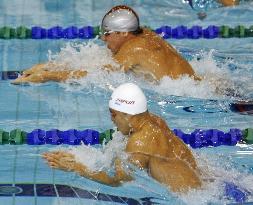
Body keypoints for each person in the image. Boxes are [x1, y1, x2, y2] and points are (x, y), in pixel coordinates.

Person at [43, 83, 201, 192]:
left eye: (114, 114)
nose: (112, 119)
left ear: (127, 114)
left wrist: (76, 167)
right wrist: (81, 158)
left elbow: (118, 180)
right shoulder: (155, 121)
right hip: (201, 185)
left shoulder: (140, 143)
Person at [12, 5, 199, 84]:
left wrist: (49, 77)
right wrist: (49, 66)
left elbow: (96, 75)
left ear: (123, 33)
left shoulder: (134, 49)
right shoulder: (145, 35)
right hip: (198, 84)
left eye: (107, 34)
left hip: (193, 97)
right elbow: (95, 63)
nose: (103, 39)